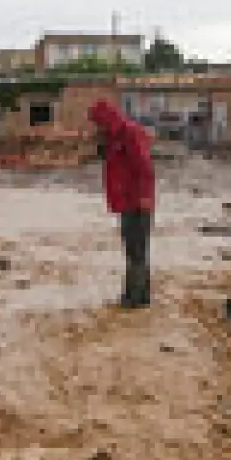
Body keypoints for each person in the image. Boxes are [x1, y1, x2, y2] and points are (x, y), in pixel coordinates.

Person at [88, 99, 156, 310]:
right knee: (135, 251)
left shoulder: (131, 133)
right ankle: (141, 296)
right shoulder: (114, 137)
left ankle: (134, 298)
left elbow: (144, 167)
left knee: (136, 251)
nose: (97, 127)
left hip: (136, 201)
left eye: (99, 123)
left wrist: (144, 199)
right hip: (126, 201)